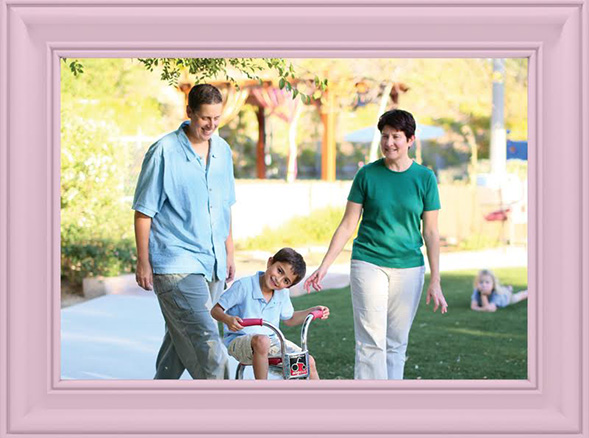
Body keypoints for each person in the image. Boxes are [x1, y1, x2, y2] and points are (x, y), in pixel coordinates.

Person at [304, 109, 448, 380]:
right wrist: (324, 266)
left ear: (410, 140)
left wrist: (435, 279)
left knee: (396, 342)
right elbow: (348, 224)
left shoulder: (425, 178)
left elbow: (430, 232)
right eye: (385, 136)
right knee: (371, 341)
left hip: (409, 267)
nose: (389, 143)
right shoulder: (367, 175)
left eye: (396, 136)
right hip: (368, 262)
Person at [132, 83, 235, 379]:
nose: (211, 125)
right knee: (208, 345)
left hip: (212, 262)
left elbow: (224, 206)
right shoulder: (164, 151)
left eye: (217, 118)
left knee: (178, 345)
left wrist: (229, 251)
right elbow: (143, 211)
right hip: (176, 264)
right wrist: (143, 261)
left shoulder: (223, 151)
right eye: (205, 118)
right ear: (189, 112)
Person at [211, 248, 330, 380]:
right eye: (279, 271)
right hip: (239, 341)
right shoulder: (244, 286)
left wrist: (311, 311)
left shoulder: (282, 293)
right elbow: (215, 310)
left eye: (286, 281)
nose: (278, 280)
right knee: (262, 341)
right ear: (270, 262)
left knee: (309, 362)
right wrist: (228, 319)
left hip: (272, 342)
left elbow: (289, 319)